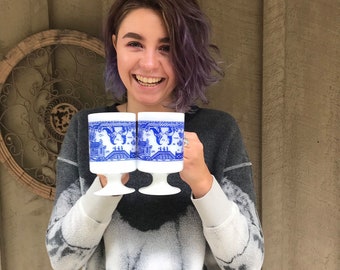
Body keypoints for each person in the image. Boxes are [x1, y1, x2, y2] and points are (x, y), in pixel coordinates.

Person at [45, 0, 264, 269]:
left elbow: (249, 263)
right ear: (115, 45)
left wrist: (204, 185)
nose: (149, 63)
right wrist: (105, 187)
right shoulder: (86, 128)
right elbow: (62, 261)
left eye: (167, 48)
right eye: (134, 43)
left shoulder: (220, 131)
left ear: (187, 53)